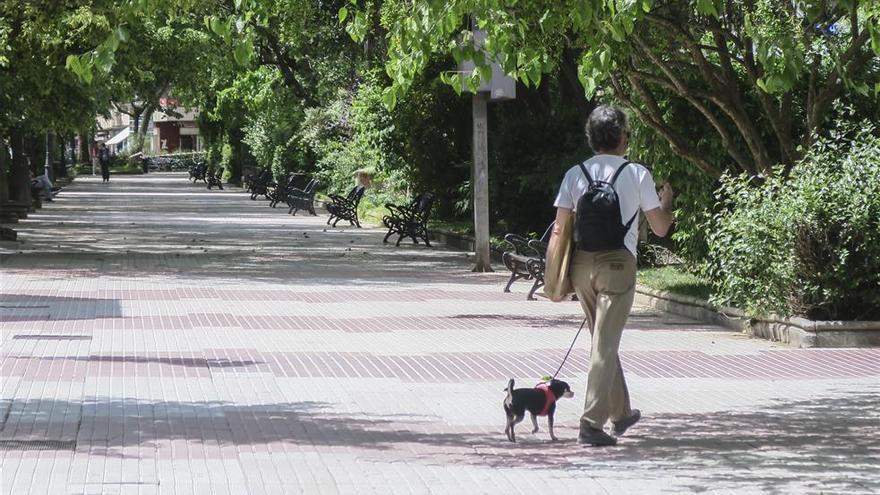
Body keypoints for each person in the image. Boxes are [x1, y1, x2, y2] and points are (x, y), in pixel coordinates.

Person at [546, 105, 674, 447]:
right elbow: (660, 228)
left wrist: (555, 278)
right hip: (618, 266)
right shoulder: (637, 174)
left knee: (602, 340)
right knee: (604, 343)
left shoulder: (575, 173)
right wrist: (667, 203)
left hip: (581, 266)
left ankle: (621, 413)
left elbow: (559, 230)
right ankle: (590, 424)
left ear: (592, 139)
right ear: (622, 138)